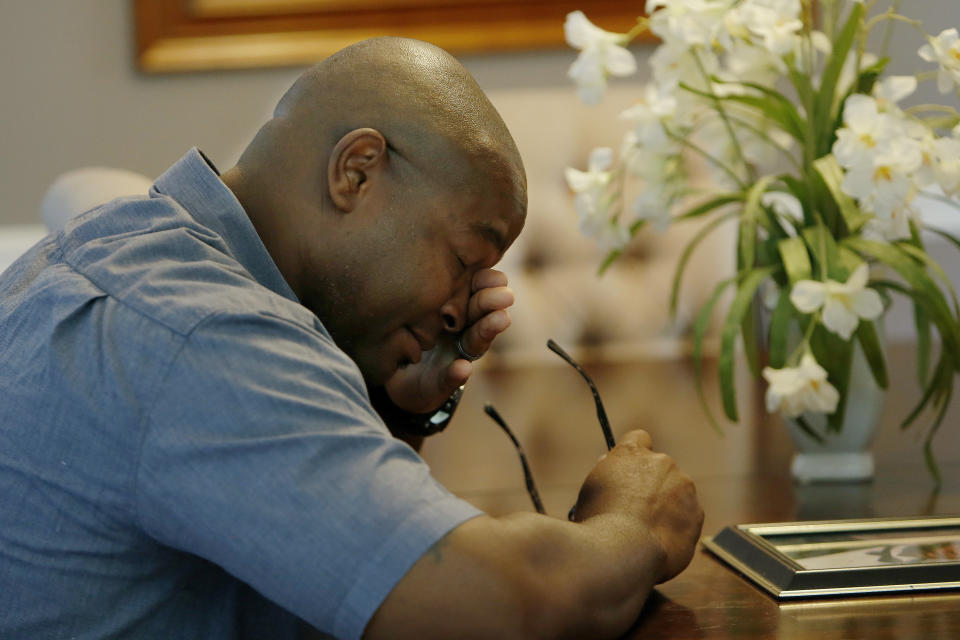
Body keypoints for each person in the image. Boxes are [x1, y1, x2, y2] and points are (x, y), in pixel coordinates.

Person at [0, 37, 703, 640]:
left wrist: (394, 411)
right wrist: (633, 526)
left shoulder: (133, 249)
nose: (466, 309)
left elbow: (323, 569)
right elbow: (489, 604)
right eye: (465, 260)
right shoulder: (206, 331)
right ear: (356, 170)